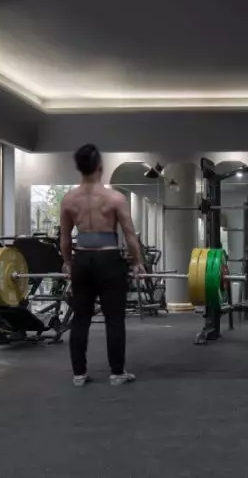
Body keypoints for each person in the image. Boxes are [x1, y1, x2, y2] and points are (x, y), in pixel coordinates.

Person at [59, 144, 145, 387]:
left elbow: (64, 239)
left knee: (81, 318)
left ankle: (78, 375)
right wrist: (137, 262)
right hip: (109, 260)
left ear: (79, 168)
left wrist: (68, 263)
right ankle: (117, 373)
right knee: (114, 318)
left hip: (82, 261)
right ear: (100, 167)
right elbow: (129, 234)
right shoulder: (114, 198)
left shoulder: (69, 199)